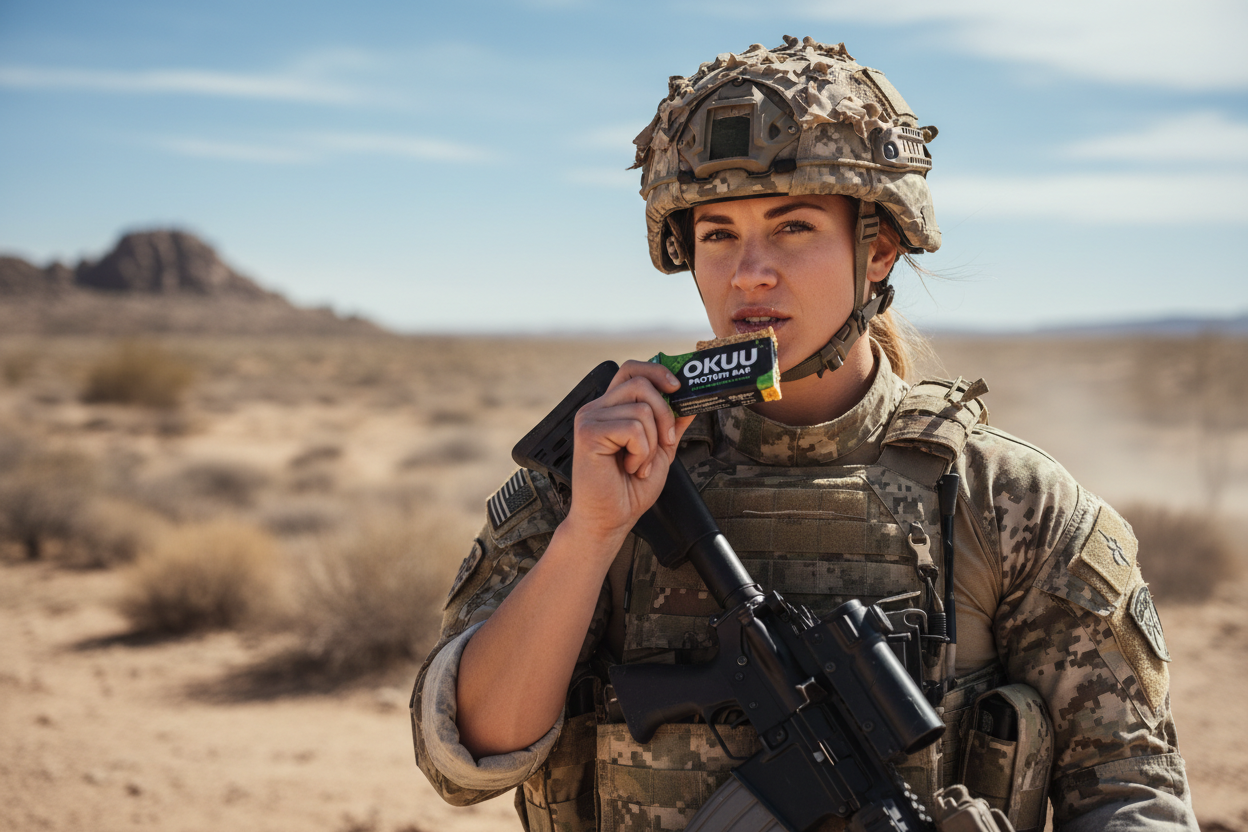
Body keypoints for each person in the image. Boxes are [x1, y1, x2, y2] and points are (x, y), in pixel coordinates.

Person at [410, 36, 1196, 832]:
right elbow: (463, 762)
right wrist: (591, 533)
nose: (749, 272)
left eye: (791, 228)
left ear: (878, 248)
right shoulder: (596, 470)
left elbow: (1131, 791)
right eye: (717, 233)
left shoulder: (1011, 506)